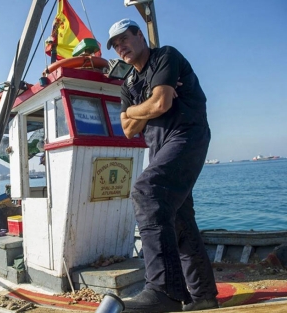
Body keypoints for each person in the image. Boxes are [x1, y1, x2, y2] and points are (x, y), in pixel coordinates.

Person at [107, 18, 219, 312]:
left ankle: (164, 292)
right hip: (158, 144)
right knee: (179, 216)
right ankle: (203, 295)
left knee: (148, 191)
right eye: (116, 45)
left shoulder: (165, 56)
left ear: (139, 36)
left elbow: (161, 105)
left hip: (187, 134)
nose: (121, 47)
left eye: (124, 39)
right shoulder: (128, 83)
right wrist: (142, 106)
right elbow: (127, 129)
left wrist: (139, 109)